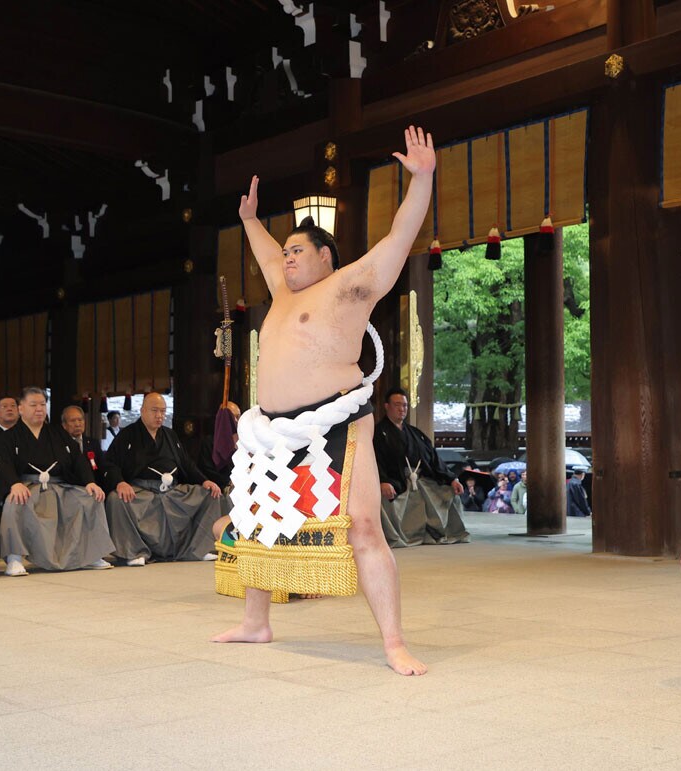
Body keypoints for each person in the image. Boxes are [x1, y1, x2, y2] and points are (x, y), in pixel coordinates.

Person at [211, 126, 437, 675]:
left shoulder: (348, 287)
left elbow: (398, 239)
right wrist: (248, 221)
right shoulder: (282, 293)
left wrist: (423, 180)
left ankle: (393, 642)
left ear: (326, 258)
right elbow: (265, 251)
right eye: (284, 250)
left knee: (362, 525)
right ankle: (256, 623)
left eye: (296, 250)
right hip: (270, 428)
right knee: (256, 521)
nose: (285, 257)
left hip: (336, 423)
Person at [0, 387, 113, 576]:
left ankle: (92, 554)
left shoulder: (58, 433)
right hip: (27, 487)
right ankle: (14, 557)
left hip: (59, 486)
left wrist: (90, 482)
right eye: (33, 405)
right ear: (21, 408)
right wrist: (14, 483)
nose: (39, 409)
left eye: (42, 404)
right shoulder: (8, 437)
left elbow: (78, 459)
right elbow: (3, 463)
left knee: (90, 498)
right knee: (13, 502)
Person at [102, 392, 225, 565]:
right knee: (116, 499)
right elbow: (110, 464)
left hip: (172, 492)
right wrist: (120, 482)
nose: (159, 416)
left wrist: (205, 481)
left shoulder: (170, 435)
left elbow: (186, 463)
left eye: (163, 411)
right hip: (141, 493)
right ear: (143, 410)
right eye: (154, 411)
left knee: (209, 494)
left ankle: (198, 549)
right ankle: (133, 552)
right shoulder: (127, 436)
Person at [375, 387, 470, 547]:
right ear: (387, 406)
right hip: (395, 480)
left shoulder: (415, 433)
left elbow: (433, 459)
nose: (402, 409)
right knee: (385, 499)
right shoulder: (378, 433)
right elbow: (376, 460)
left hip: (420, 480)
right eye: (397, 405)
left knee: (448, 491)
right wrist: (383, 481)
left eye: (404, 405)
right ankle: (399, 535)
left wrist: (452, 478)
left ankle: (438, 532)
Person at [61, 405, 103, 470]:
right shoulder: (59, 444)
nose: (77, 424)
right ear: (64, 425)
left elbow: (102, 466)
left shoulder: (93, 443)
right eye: (73, 421)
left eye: (80, 420)